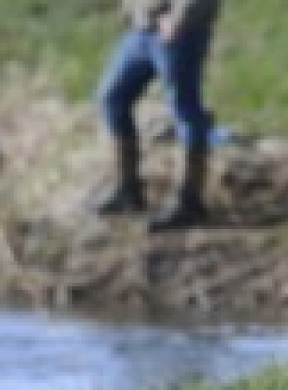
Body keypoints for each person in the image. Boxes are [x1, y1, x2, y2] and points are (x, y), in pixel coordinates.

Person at [93, 0, 221, 231]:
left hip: (178, 32)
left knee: (186, 111)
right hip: (143, 29)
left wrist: (180, 19)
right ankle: (128, 190)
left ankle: (189, 203)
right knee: (113, 97)